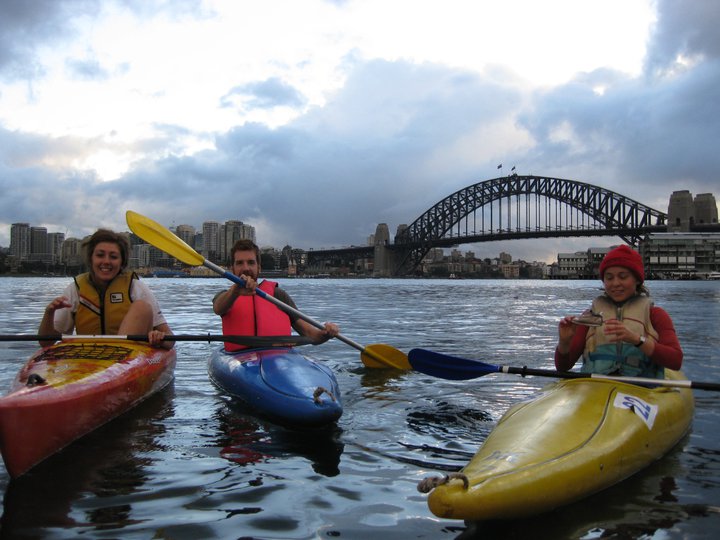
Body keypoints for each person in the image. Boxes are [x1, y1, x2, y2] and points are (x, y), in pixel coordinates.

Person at [555, 244, 682, 378]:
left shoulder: (656, 315)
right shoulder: (590, 317)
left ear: (637, 280)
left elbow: (675, 361)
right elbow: (563, 367)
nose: (615, 283)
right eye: (609, 278)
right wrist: (564, 343)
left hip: (641, 387)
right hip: (596, 385)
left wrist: (636, 340)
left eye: (623, 277)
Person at [38, 229, 173, 349]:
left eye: (113, 257)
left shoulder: (136, 287)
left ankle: (118, 358)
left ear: (122, 263)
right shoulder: (75, 289)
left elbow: (169, 340)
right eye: (100, 255)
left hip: (127, 358)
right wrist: (49, 313)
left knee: (141, 307)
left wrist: (158, 337)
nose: (106, 261)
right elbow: (46, 343)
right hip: (87, 357)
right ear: (91, 259)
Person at [213, 239, 339, 351]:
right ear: (232, 269)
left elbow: (311, 334)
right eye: (240, 263)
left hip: (278, 361)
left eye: (251, 262)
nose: (246, 268)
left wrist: (326, 333)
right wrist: (235, 291)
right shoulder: (226, 297)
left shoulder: (278, 295)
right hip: (239, 362)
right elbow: (218, 308)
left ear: (259, 268)